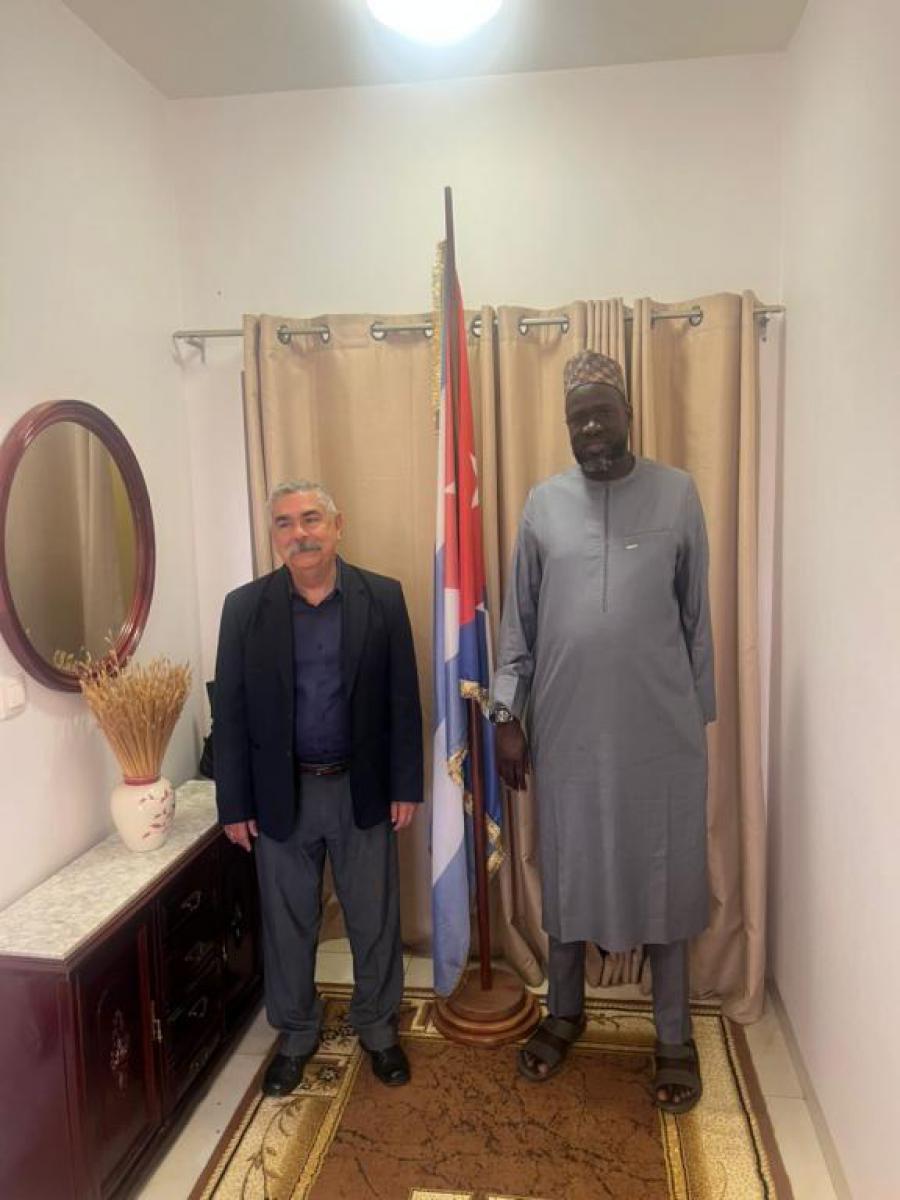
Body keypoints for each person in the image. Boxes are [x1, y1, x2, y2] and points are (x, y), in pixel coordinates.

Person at [490, 350, 715, 1112]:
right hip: (567, 731)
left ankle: (674, 1036)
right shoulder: (543, 504)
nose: (590, 427)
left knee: (666, 875)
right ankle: (564, 1014)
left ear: (628, 415)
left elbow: (697, 620)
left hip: (661, 736)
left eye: (602, 413)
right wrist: (507, 715)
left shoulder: (678, 494)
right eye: (577, 417)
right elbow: (518, 619)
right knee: (571, 867)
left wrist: (698, 717)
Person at [213, 481, 423, 1094]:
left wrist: (405, 784)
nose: (299, 533)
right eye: (284, 523)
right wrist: (234, 803)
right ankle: (297, 1033)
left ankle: (378, 1029)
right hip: (282, 795)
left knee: (374, 918)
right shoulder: (243, 608)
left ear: (337, 525)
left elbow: (403, 700)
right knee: (288, 924)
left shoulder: (382, 597)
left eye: (310, 519)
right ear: (273, 536)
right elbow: (230, 714)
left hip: (361, 790)